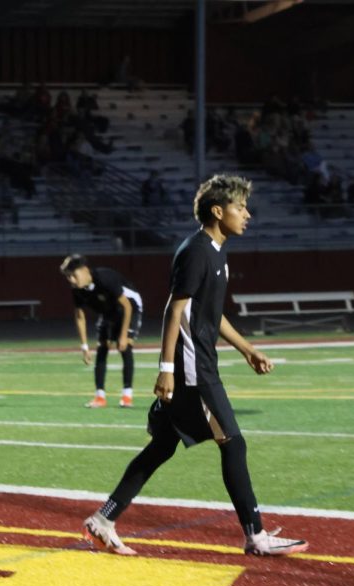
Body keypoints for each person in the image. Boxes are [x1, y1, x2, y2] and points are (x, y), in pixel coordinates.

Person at [82, 174, 308, 558]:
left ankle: (103, 520)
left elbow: (211, 314)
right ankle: (255, 535)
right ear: (218, 211)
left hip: (199, 363)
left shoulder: (217, 251)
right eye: (240, 207)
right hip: (192, 370)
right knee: (234, 444)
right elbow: (176, 309)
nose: (247, 215)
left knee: (162, 447)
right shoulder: (198, 251)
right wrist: (166, 367)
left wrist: (247, 349)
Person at [60, 254, 143, 409]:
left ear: (84, 270)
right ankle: (100, 397)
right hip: (108, 311)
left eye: (73, 275)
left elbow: (126, 306)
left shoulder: (105, 278)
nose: (70, 280)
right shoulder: (77, 290)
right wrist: (84, 346)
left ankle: (127, 396)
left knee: (125, 347)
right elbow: (79, 316)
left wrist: (124, 335)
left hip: (129, 306)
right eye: (68, 277)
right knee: (102, 348)